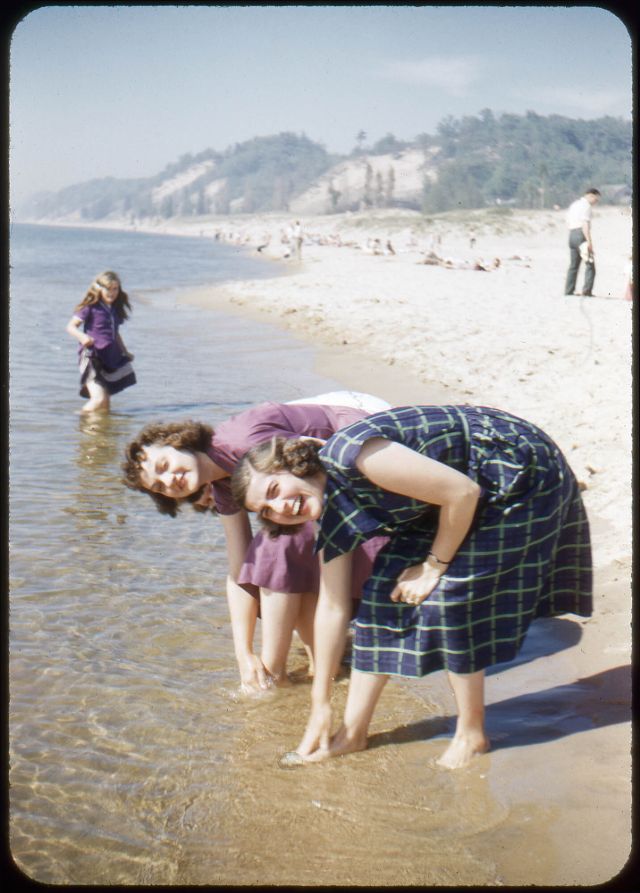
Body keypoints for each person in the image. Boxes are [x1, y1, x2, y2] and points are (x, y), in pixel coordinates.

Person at [232, 404, 593, 769]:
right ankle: (352, 734)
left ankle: (471, 734)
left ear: (294, 465)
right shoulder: (330, 514)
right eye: (266, 510)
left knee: (449, 595)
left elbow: (463, 493)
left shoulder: (354, 456)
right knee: (380, 598)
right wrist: (320, 703)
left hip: (516, 468)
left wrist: (433, 567)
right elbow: (333, 606)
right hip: (452, 495)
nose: (280, 507)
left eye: (275, 489)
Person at [122, 393, 390, 694]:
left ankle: (273, 672)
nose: (169, 480)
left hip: (374, 446)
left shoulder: (241, 442)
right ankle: (319, 668)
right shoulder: (223, 485)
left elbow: (317, 466)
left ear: (178, 442)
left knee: (278, 544)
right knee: (277, 553)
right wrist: (243, 654)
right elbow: (239, 569)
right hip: (334, 493)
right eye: (160, 486)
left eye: (164, 465)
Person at [66, 271, 136, 413]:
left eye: (115, 289)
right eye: (108, 289)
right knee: (98, 399)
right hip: (91, 356)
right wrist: (83, 337)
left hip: (109, 357)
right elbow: (70, 327)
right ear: (99, 289)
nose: (112, 292)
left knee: (105, 401)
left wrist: (125, 351)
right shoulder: (91, 307)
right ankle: (76, 420)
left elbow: (115, 334)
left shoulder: (114, 309)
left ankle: (101, 427)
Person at [564, 188, 601, 297]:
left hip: (572, 234)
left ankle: (568, 290)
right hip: (580, 235)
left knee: (573, 265)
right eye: (596, 199)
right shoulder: (586, 206)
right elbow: (585, 225)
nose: (596, 202)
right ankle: (587, 291)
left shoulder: (574, 205)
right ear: (591, 196)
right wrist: (589, 242)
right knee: (590, 265)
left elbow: (567, 221)